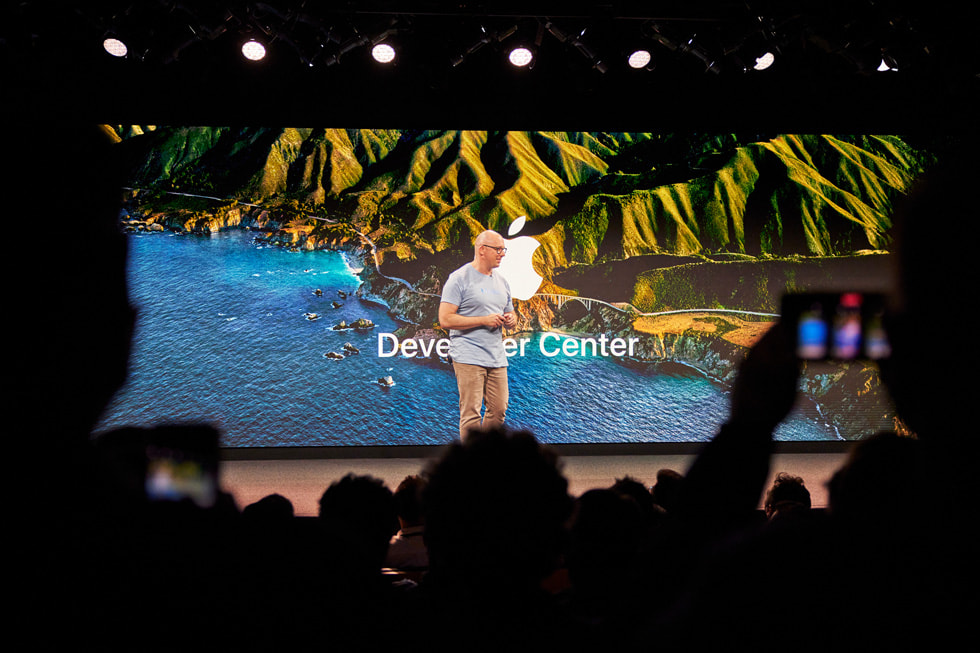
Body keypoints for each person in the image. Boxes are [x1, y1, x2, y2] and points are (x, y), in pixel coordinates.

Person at [439, 229, 517, 440]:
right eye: (498, 249)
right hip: (467, 355)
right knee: (471, 414)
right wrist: (483, 320)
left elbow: (511, 313)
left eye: (503, 249)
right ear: (482, 250)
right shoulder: (459, 279)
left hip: (496, 356)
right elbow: (445, 319)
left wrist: (511, 319)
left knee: (499, 409)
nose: (502, 253)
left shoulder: (502, 281)